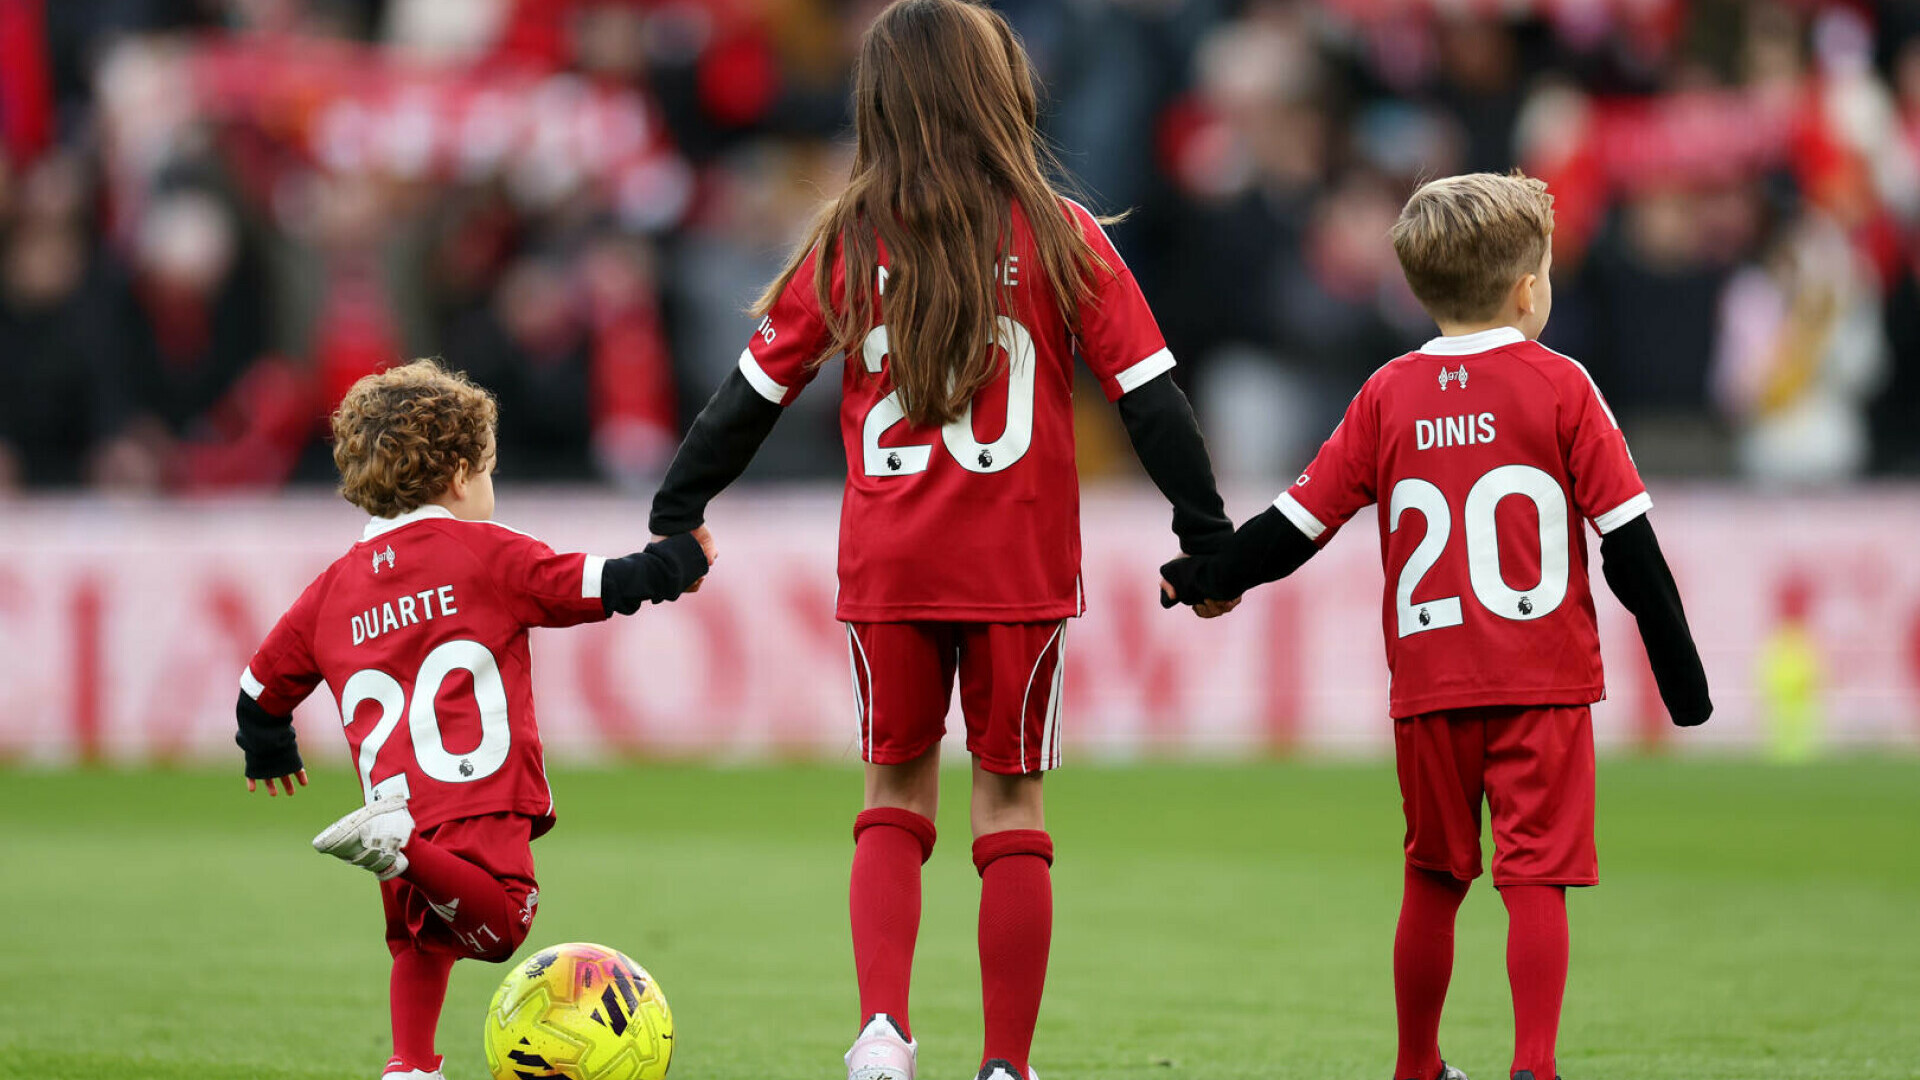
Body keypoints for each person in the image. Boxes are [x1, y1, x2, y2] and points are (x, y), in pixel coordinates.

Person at [646, 3, 1233, 1077]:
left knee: (893, 788)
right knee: (1010, 800)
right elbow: (1149, 397)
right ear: (1001, 93)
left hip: (891, 565)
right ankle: (1005, 1064)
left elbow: (748, 397)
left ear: (881, 102)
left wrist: (676, 511)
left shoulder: (850, 237)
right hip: (1016, 567)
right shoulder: (1060, 232)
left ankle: (883, 1034)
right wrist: (1205, 537)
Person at [1161, 172, 1713, 1080]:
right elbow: (1632, 549)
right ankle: (1532, 1066)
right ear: (1530, 287)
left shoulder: (1386, 395)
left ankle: (1417, 1064)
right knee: (1535, 879)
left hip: (1431, 684)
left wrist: (1206, 574)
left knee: (1434, 875)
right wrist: (1683, 686)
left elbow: (1294, 530)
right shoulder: (1564, 387)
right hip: (1543, 682)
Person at [233, 359, 711, 1080]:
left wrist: (267, 746)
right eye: (488, 468)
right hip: (475, 796)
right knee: (503, 926)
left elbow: (258, 687)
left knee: (418, 944)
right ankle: (403, 852)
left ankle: (411, 1066)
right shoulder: (484, 554)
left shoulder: (331, 591)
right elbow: (598, 585)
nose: (490, 484)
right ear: (459, 475)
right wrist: (675, 563)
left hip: (393, 797)